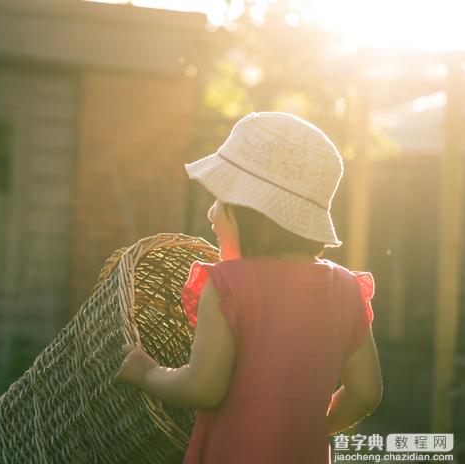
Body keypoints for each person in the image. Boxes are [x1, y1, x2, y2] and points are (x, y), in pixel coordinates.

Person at [113, 112, 383, 463]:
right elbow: (366, 393)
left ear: (251, 212)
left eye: (221, 201)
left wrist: (149, 374)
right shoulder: (345, 289)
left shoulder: (228, 285)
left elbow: (203, 387)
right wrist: (311, 426)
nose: (211, 213)